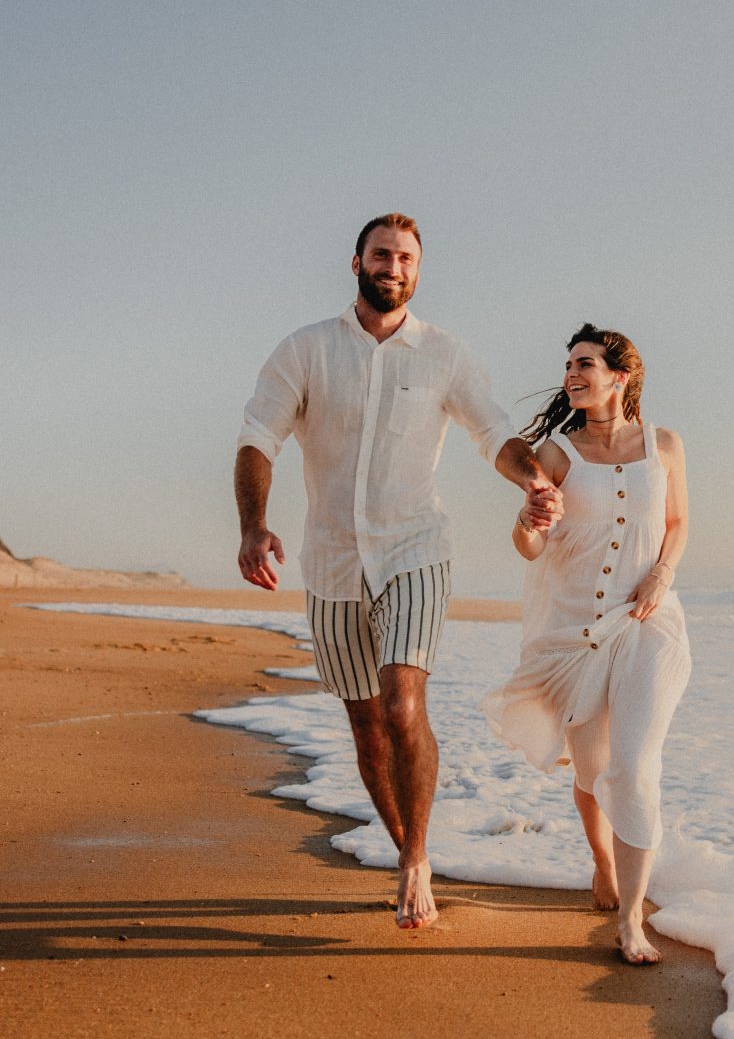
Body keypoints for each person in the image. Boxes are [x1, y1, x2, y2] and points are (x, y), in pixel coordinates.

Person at [234, 213, 562, 930]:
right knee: (364, 725)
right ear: (356, 263)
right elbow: (259, 437)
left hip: (416, 548)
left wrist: (530, 480)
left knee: (401, 703)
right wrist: (253, 526)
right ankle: (404, 844)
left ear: (418, 271)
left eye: (406, 258)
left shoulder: (444, 354)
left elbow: (493, 432)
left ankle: (416, 863)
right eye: (381, 254)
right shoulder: (306, 350)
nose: (394, 266)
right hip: (331, 560)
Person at [482, 324, 691, 965]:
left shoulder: (665, 445)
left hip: (648, 623)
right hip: (574, 632)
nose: (572, 373)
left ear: (620, 376)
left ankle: (632, 920)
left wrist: (662, 572)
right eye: (569, 364)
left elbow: (678, 521)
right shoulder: (554, 456)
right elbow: (531, 547)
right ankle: (604, 861)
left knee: (635, 765)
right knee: (596, 770)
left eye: (586, 364)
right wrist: (526, 518)